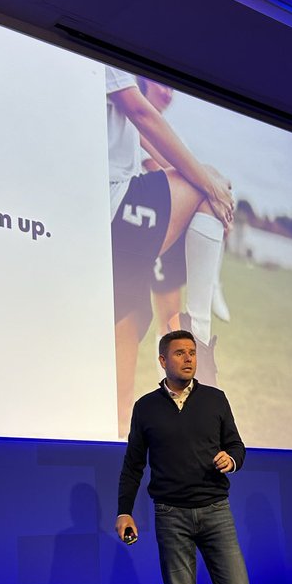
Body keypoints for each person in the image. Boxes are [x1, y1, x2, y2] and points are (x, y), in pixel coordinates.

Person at [116, 329, 280, 584]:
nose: (189, 359)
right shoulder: (146, 408)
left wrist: (232, 459)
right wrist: (124, 512)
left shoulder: (215, 399)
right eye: (180, 353)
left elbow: (237, 446)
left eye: (192, 353)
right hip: (170, 517)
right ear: (162, 361)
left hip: (215, 512)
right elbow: (134, 464)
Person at [106, 67, 232, 434]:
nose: (168, 92)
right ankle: (201, 339)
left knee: (121, 397)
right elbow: (143, 115)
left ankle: (196, 342)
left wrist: (209, 188)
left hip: (121, 214)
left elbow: (150, 146)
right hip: (119, 209)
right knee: (209, 183)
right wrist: (211, 185)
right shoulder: (110, 69)